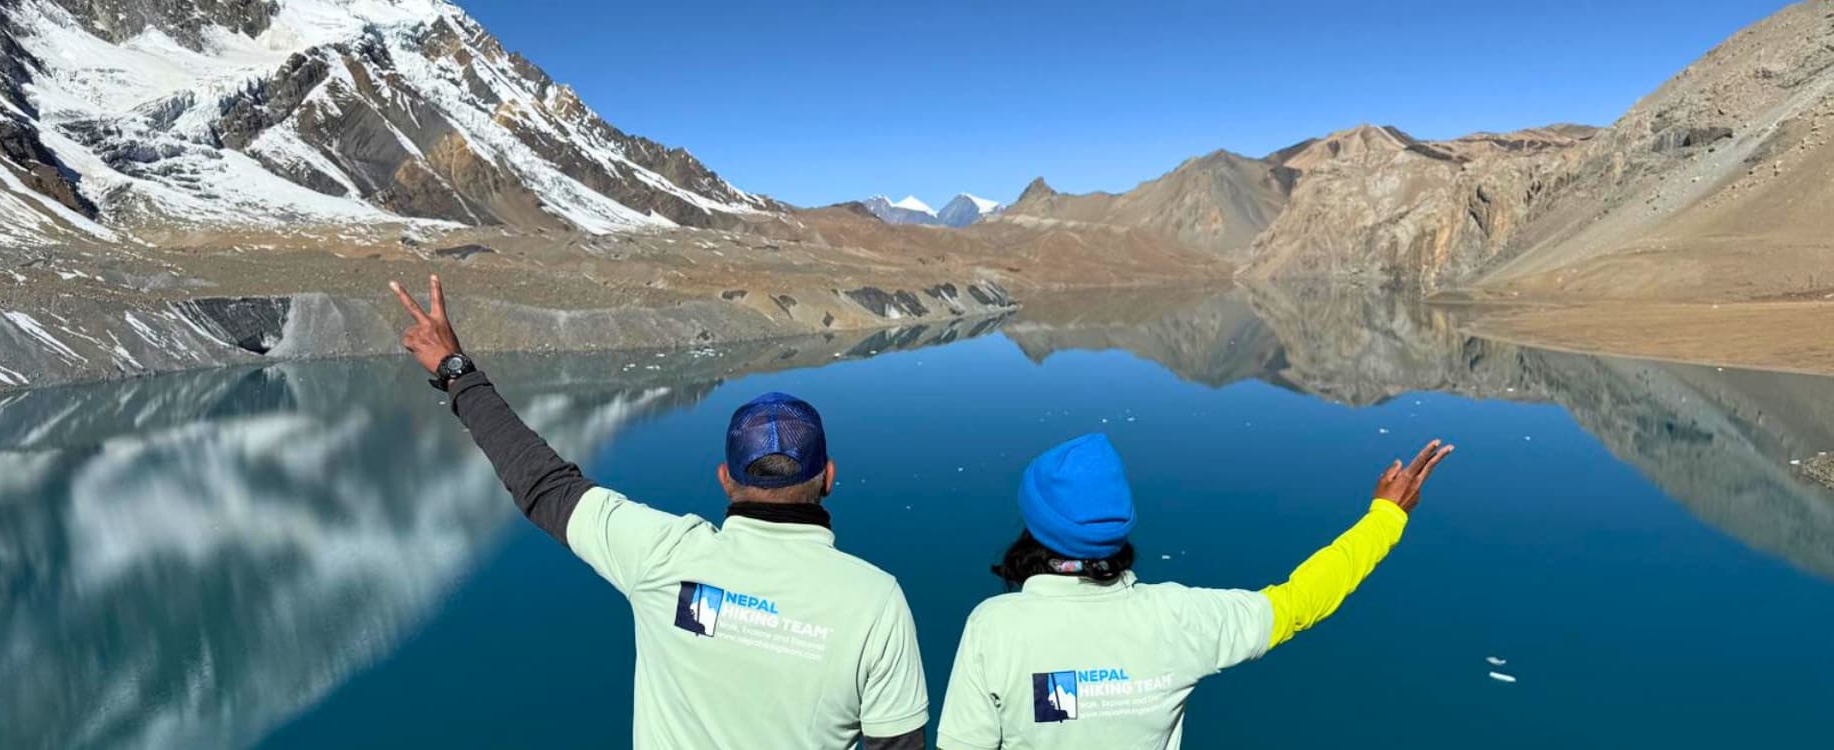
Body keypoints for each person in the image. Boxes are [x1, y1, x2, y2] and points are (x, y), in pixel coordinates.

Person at [389, 276, 929, 750]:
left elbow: (543, 484)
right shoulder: (875, 602)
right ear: (828, 477)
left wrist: (455, 371)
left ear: (725, 478)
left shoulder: (663, 555)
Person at [937, 433, 1454, 750]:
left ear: (1035, 525)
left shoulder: (995, 628)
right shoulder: (1178, 618)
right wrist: (1385, 517)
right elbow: (1299, 600)